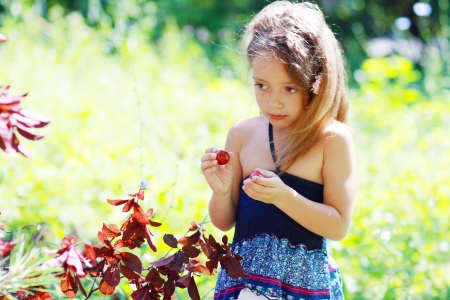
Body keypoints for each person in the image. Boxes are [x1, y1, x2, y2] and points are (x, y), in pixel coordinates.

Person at [200, 1, 356, 299]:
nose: (273, 102)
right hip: (244, 284)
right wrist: (220, 192)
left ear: (317, 83)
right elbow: (223, 221)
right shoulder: (243, 134)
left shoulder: (331, 139)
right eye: (261, 85)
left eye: (289, 88)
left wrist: (285, 197)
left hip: (304, 288)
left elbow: (337, 226)